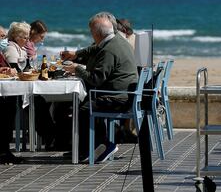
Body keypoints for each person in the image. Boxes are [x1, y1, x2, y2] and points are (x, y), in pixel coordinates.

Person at [61, 12, 154, 191]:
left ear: (96, 33)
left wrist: (77, 69)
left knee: (83, 108)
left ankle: (103, 145)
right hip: (124, 93)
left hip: (118, 98)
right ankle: (86, 148)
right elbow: (94, 50)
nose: (90, 35)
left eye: (91, 31)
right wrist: (75, 55)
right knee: (87, 102)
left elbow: (96, 79)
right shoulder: (115, 40)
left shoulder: (110, 49)